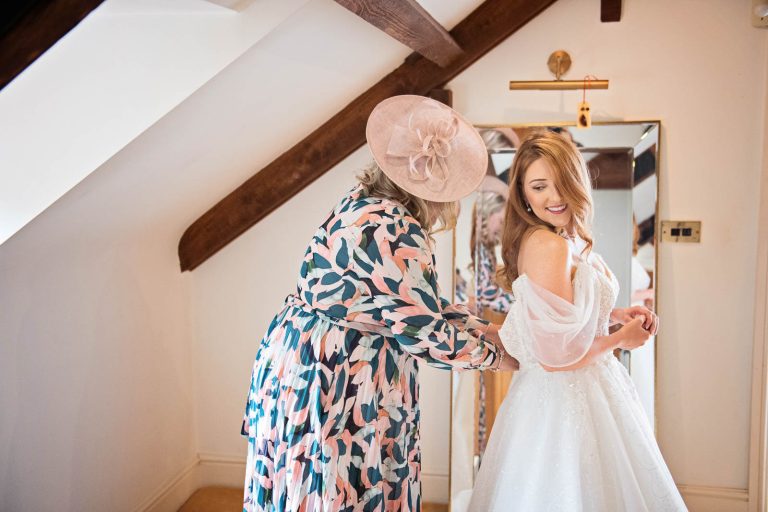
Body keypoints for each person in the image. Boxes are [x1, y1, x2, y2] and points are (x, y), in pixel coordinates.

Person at [242, 95, 517, 512]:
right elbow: (423, 332)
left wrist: (481, 328)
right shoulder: (399, 229)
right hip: (338, 373)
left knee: (309, 485)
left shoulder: (362, 201)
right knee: (340, 486)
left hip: (300, 355)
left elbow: (405, 303)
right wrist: (499, 357)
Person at [469, 131, 687, 511]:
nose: (554, 197)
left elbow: (564, 313)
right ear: (523, 195)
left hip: (583, 389)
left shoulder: (564, 238)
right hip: (561, 400)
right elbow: (556, 356)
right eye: (539, 187)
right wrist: (620, 339)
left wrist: (615, 315)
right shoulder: (548, 245)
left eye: (562, 183)